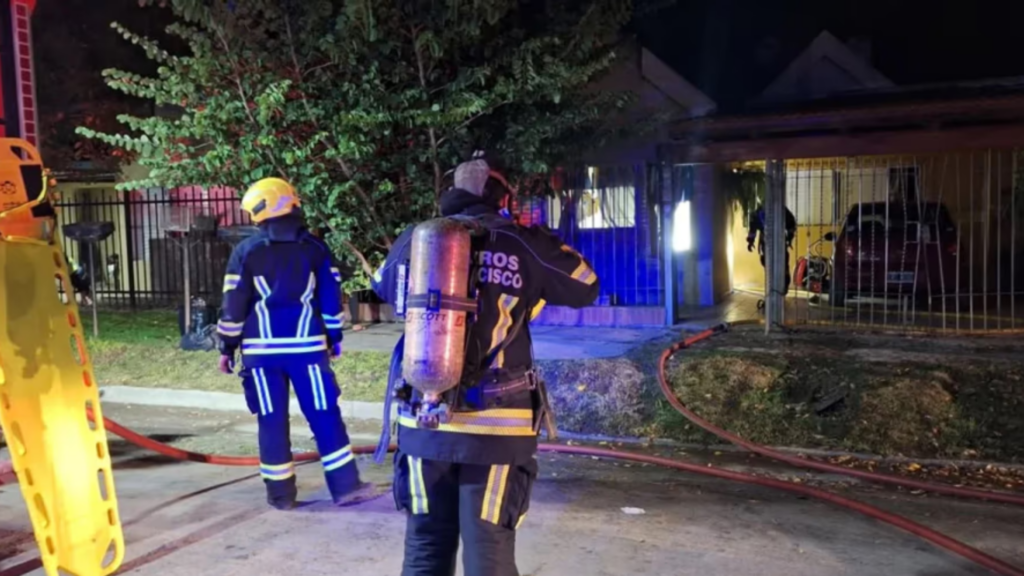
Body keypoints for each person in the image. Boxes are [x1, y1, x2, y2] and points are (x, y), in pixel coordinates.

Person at [372, 152, 600, 576]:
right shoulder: (522, 243)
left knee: (425, 546)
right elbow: (586, 285)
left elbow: (381, 285)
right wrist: (537, 243)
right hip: (497, 428)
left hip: (424, 420)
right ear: (503, 198)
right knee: (488, 551)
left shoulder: (416, 239)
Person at [216, 177, 375, 510]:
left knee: (271, 421)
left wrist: (227, 347)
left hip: (261, 355)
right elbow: (330, 299)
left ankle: (281, 496)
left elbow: (233, 305)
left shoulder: (246, 252)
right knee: (324, 415)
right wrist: (334, 337)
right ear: (291, 203)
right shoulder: (315, 249)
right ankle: (346, 487)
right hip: (307, 351)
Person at [747, 203, 797, 295]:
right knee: (767, 265)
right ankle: (771, 288)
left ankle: (783, 285)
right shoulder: (759, 213)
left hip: (780, 242)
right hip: (766, 244)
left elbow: (792, 224)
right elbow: (753, 227)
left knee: (783, 265)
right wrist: (751, 241)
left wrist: (789, 237)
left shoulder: (781, 210)